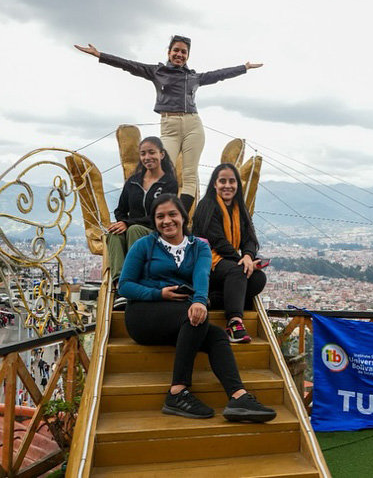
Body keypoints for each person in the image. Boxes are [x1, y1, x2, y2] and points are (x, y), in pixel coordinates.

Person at [119, 193, 275, 421]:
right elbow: (125, 286)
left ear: (183, 217)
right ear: (154, 221)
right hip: (144, 314)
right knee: (193, 316)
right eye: (160, 216)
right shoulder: (144, 245)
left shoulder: (198, 247)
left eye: (172, 214)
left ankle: (238, 396)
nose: (167, 221)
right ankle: (176, 392)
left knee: (217, 336)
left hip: (182, 315)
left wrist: (200, 301)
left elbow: (202, 275)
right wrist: (158, 293)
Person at [74, 36, 263, 212]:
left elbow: (220, 74)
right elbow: (129, 65)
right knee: (163, 172)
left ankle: (179, 214)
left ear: (188, 55)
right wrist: (100, 55)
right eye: (176, 50)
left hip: (193, 125)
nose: (179, 55)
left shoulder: (194, 77)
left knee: (189, 174)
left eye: (184, 52)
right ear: (169, 52)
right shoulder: (157, 72)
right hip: (169, 126)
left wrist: (244, 67)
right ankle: (157, 211)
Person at [193, 164, 266, 344]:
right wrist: (241, 260)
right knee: (238, 271)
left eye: (232, 181)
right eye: (222, 181)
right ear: (214, 184)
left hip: (229, 263)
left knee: (258, 278)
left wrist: (248, 256)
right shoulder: (207, 206)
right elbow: (217, 241)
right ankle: (234, 322)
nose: (228, 186)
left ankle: (213, 300)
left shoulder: (239, 208)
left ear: (237, 185)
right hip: (208, 262)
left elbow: (249, 238)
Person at [106, 136, 178, 290]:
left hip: (158, 230)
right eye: (143, 153)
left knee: (134, 230)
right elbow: (120, 210)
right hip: (132, 228)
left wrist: (128, 223)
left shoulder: (169, 183)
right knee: (114, 233)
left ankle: (134, 279)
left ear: (162, 154)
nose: (147, 157)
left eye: (151, 152)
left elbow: (162, 215)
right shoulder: (133, 182)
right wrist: (121, 223)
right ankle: (119, 283)